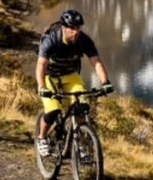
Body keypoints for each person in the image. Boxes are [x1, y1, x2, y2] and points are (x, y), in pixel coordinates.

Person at [36, 9, 113, 155]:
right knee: (53, 111)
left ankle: (82, 144)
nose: (75, 32)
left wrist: (105, 82)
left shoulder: (84, 41)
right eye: (71, 28)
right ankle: (42, 138)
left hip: (71, 76)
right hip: (50, 77)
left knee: (82, 109)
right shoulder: (52, 39)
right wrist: (42, 87)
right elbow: (41, 65)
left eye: (78, 28)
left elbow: (96, 62)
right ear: (64, 28)